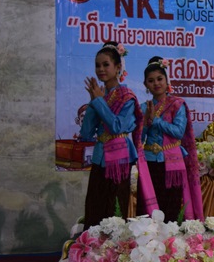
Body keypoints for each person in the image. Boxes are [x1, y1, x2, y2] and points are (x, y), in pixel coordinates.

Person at [78, 41, 143, 228]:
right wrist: (93, 103)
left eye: (106, 64)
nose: (101, 69)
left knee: (115, 208)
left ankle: (115, 246)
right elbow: (86, 133)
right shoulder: (100, 95)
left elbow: (116, 127)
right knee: (95, 207)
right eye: (97, 65)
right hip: (100, 157)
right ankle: (94, 244)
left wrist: (99, 101)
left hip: (119, 160)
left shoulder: (127, 96)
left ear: (118, 67)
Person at [137, 56, 204, 222]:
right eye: (151, 80)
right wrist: (145, 123)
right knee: (148, 209)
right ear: (145, 85)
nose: (156, 83)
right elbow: (140, 138)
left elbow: (178, 132)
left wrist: (155, 120)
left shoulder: (177, 104)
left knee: (170, 209)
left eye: (160, 79)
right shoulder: (143, 107)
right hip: (150, 161)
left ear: (167, 80)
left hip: (172, 163)